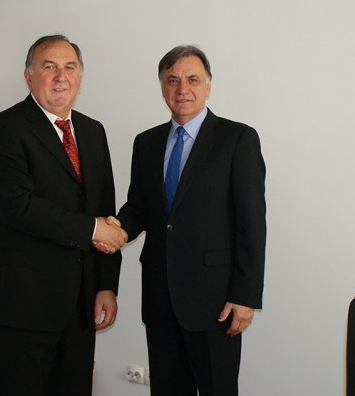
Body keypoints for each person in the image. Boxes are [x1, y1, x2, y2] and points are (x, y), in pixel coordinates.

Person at [114, 45, 266, 395]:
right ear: (162, 88)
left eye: (193, 79)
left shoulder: (237, 139)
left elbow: (252, 223)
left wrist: (245, 295)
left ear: (208, 85)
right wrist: (111, 230)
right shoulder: (146, 143)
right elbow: (139, 209)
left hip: (216, 302)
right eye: (172, 80)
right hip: (160, 298)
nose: (182, 88)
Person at [0, 35, 127, 396]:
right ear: (29, 75)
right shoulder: (3, 129)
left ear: (80, 76)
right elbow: (19, 207)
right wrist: (93, 229)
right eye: (49, 67)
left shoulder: (92, 131)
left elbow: (104, 208)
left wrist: (106, 284)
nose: (61, 76)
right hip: (24, 306)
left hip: (80, 306)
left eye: (69, 67)